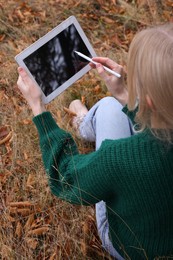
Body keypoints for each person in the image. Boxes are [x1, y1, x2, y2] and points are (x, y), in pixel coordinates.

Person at [17, 23, 173, 259]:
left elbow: (67, 180)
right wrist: (123, 93)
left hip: (130, 248)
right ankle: (86, 117)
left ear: (149, 101)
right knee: (113, 102)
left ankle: (83, 120)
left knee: (108, 107)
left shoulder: (117, 158)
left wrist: (38, 109)